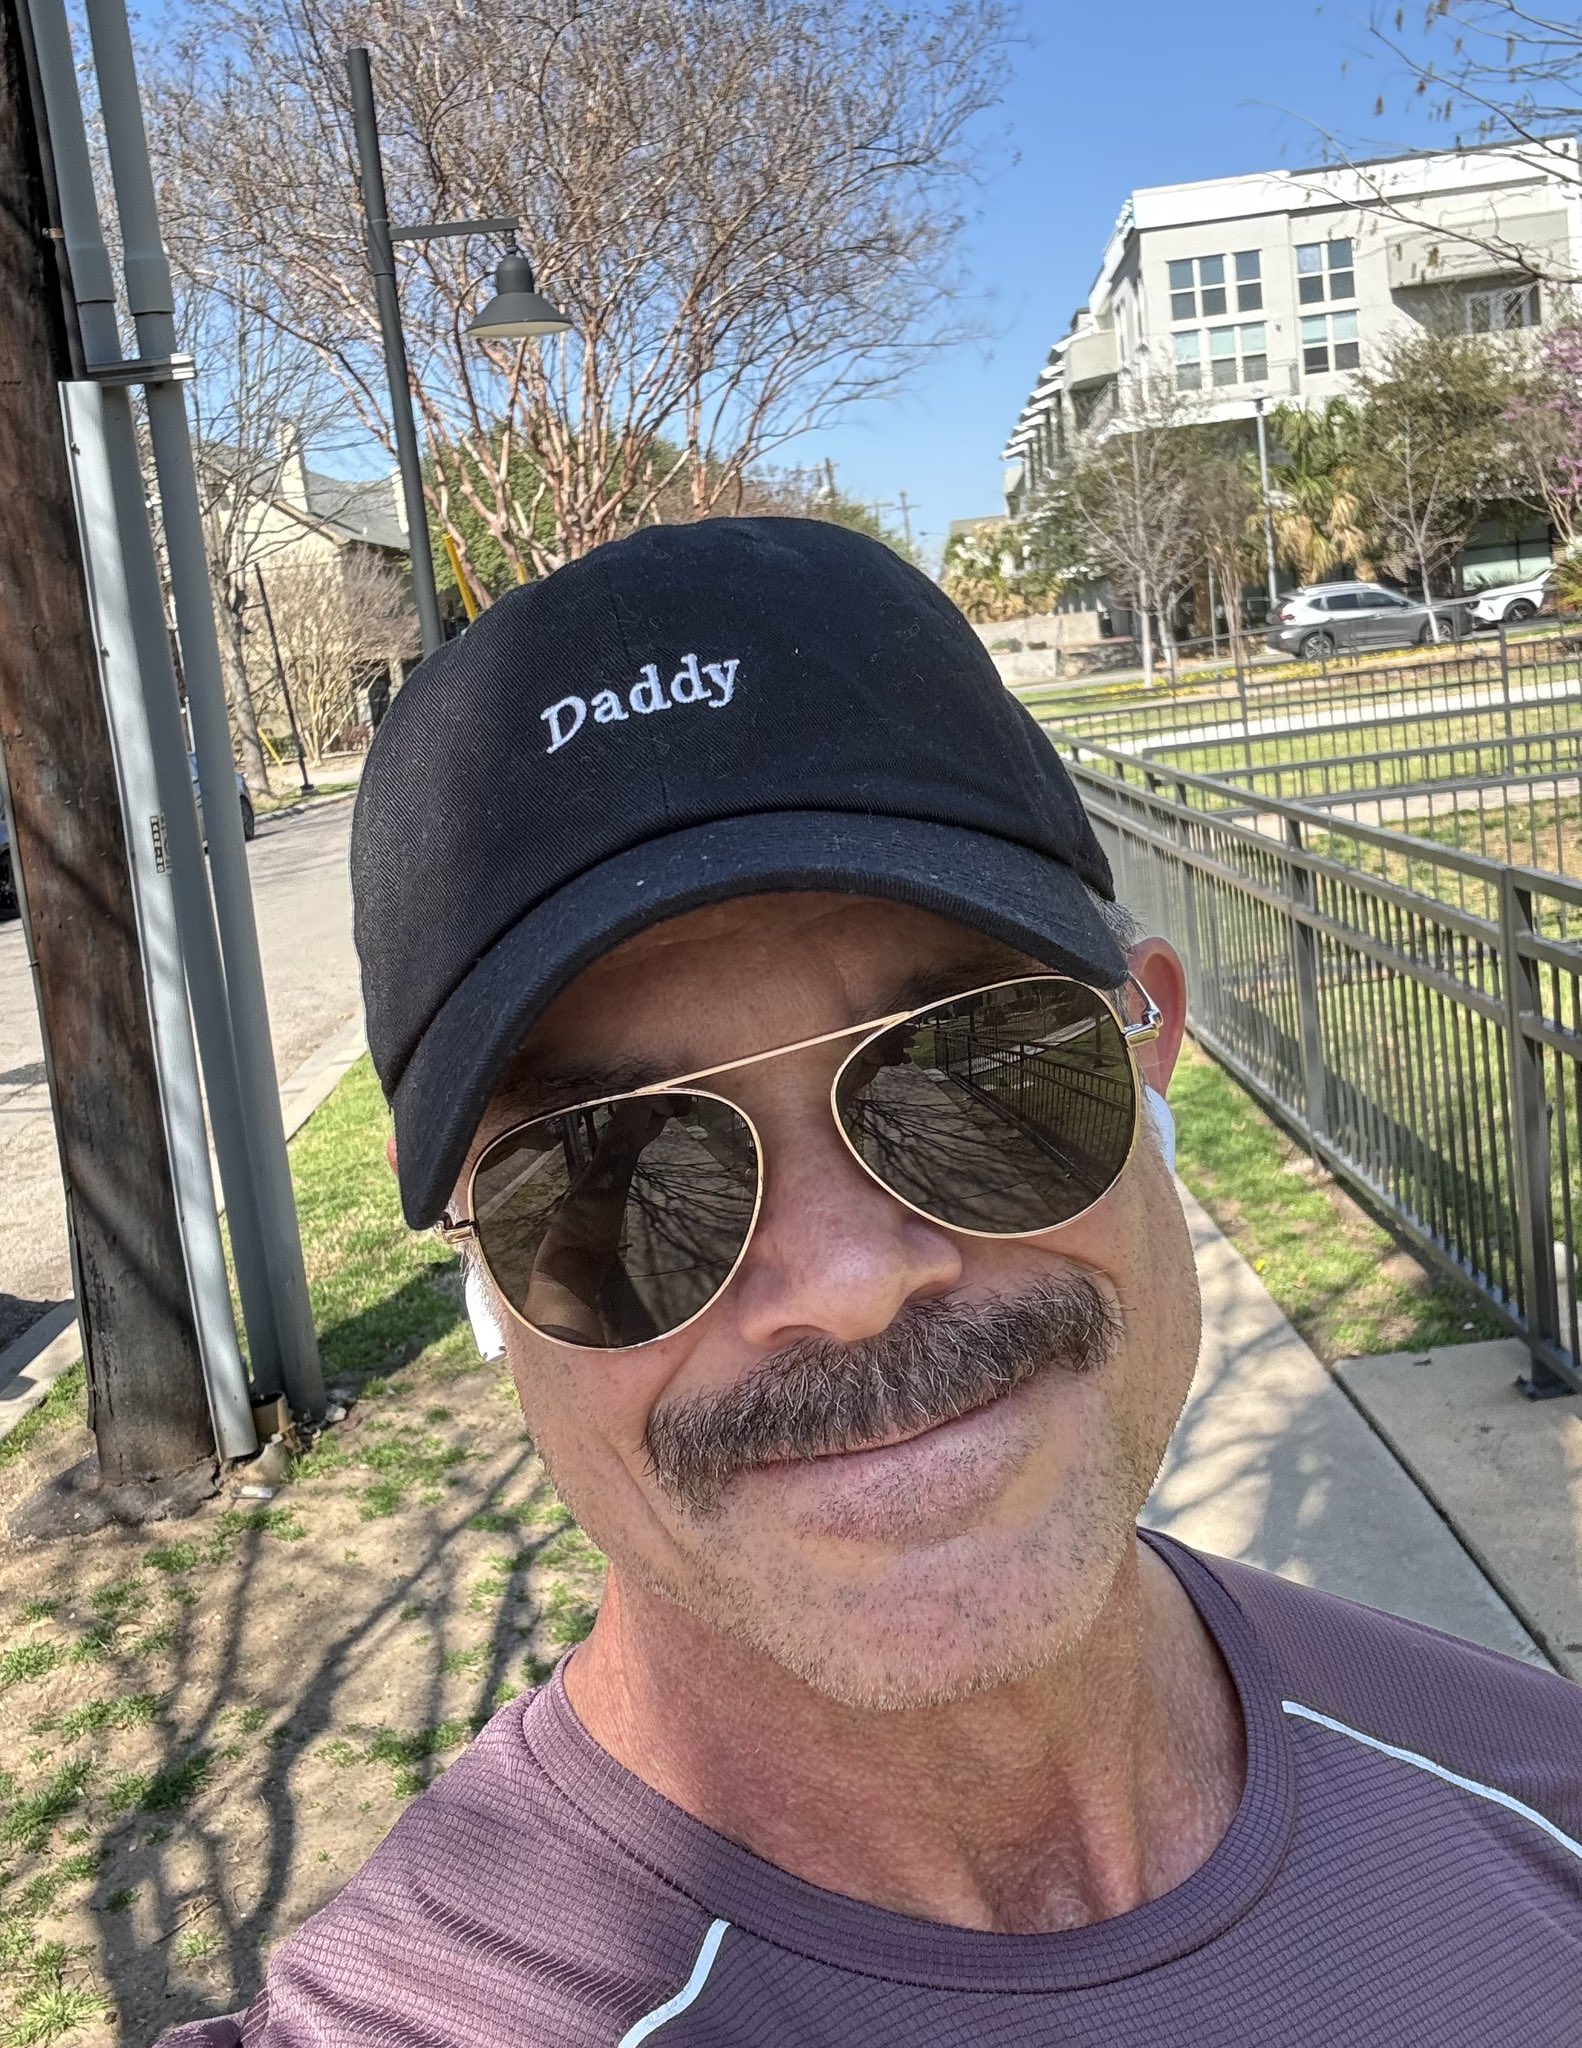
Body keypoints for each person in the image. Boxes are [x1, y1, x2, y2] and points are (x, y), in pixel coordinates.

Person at [163, 521, 1582, 2048]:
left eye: (970, 1073)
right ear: (476, 1258)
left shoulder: (1532, 1806)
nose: (843, 1283)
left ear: (1151, 1043)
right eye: (620, 1172)